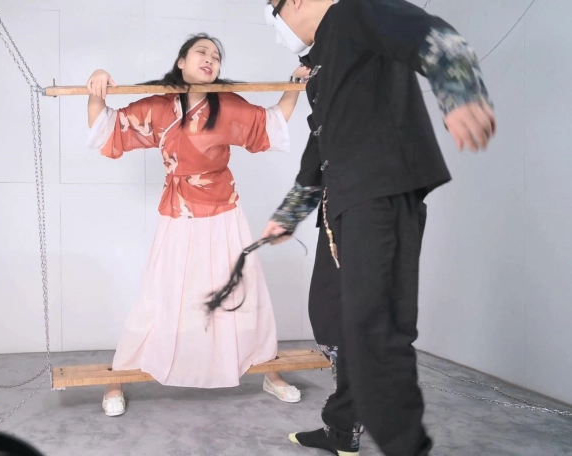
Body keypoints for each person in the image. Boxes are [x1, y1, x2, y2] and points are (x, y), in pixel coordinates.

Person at [259, 1, 496, 455]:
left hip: (378, 195)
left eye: (273, 9)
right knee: (334, 319)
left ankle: (404, 447)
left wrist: (459, 90)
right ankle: (342, 427)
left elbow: (433, 34)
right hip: (342, 206)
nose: (275, 26)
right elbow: (321, 142)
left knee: (374, 332)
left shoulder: (352, 12)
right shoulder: (323, 59)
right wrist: (289, 214)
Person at [86, 33, 310, 417]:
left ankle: (268, 371)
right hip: (178, 211)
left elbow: (269, 123)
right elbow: (108, 129)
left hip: (224, 210)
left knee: (241, 292)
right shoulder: (159, 106)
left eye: (216, 56)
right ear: (181, 62)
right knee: (159, 294)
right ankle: (120, 374)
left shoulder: (227, 105)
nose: (210, 59)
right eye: (201, 52)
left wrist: (294, 85)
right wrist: (98, 86)